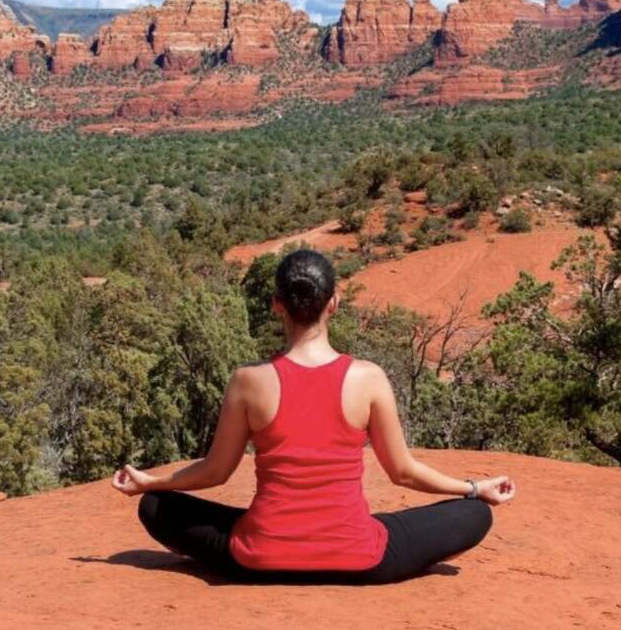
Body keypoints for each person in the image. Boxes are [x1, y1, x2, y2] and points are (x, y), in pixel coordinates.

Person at [111, 248, 516, 584]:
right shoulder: (368, 378)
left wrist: (153, 481)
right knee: (474, 513)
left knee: (155, 506)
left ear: (277, 306)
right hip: (358, 557)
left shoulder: (248, 381)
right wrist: (474, 488)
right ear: (334, 303)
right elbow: (403, 473)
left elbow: (216, 471)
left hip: (261, 557)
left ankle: (276, 538)